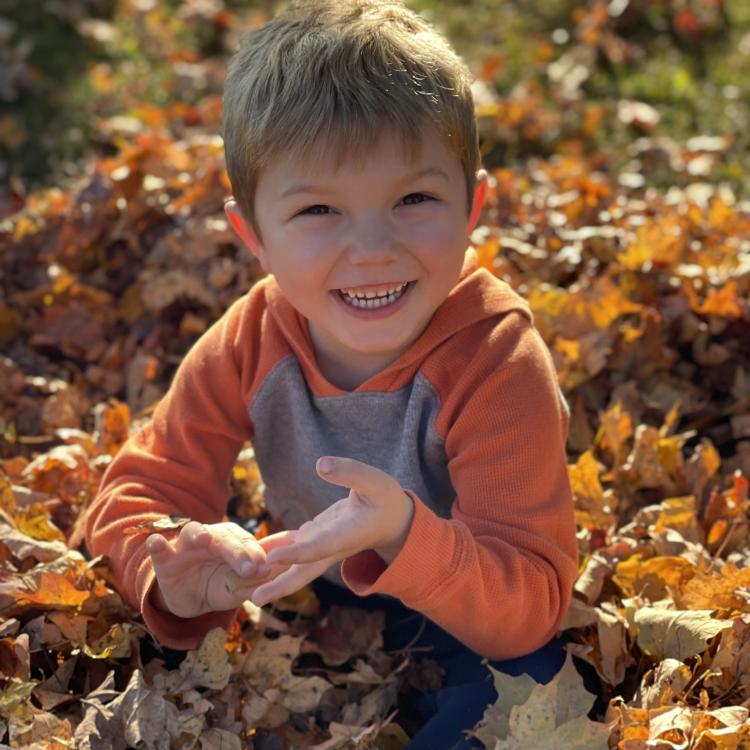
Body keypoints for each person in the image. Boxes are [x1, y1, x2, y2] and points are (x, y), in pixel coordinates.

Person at [84, 1, 579, 747]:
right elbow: (138, 488)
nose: (373, 249)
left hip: (464, 601)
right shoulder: (255, 338)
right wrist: (176, 565)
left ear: (473, 205)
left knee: (535, 692)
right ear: (253, 235)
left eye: (414, 199)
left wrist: (407, 532)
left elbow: (529, 601)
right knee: (148, 666)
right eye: (319, 210)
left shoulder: (497, 361)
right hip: (298, 598)